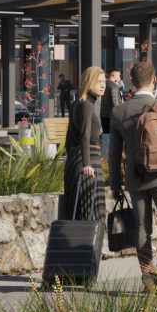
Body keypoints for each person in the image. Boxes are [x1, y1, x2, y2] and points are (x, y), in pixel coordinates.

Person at [104, 60, 157, 289]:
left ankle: (148, 276)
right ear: (154, 79)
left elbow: (113, 155)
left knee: (142, 229)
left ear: (131, 82)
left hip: (135, 177)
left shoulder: (119, 112)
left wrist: (115, 185)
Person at [59, 65, 106, 222]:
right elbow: (85, 136)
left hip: (75, 161)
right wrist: (86, 163)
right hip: (89, 161)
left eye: (104, 81)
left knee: (77, 211)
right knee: (91, 213)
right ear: (89, 82)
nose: (103, 85)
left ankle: (80, 247)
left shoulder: (77, 104)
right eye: (99, 81)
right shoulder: (86, 105)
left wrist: (73, 160)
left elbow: (68, 139)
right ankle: (89, 247)